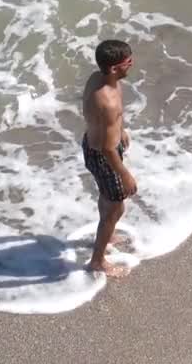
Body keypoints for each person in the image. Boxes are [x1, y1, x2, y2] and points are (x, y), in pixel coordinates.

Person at [81, 39, 138, 276]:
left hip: (101, 147)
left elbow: (108, 119)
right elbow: (106, 148)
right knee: (116, 208)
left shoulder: (100, 78)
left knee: (108, 201)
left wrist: (119, 129)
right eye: (128, 62)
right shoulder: (107, 102)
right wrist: (124, 174)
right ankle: (97, 261)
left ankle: (107, 230)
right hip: (105, 157)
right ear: (114, 68)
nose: (132, 64)